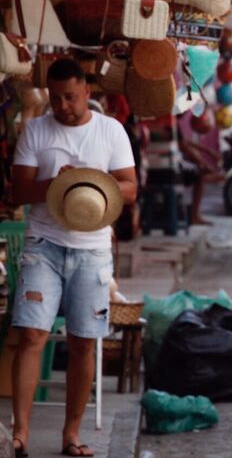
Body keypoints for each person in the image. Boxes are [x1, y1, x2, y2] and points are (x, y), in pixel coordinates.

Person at [10, 59, 137, 457]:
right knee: (31, 336)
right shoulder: (35, 130)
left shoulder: (110, 131)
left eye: (70, 97)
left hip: (93, 250)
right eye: (56, 97)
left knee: (84, 342)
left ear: (87, 92)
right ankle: (21, 433)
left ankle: (71, 435)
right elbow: (18, 191)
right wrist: (57, 184)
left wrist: (91, 183)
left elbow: (131, 188)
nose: (62, 105)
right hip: (43, 246)